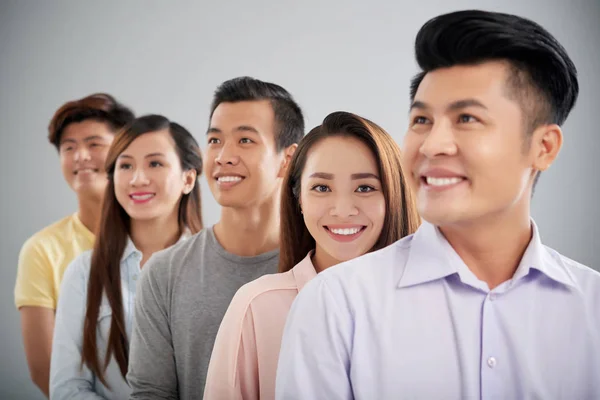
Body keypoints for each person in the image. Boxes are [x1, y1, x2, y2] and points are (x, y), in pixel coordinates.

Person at [275, 10, 600, 400]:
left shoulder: (592, 309)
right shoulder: (335, 304)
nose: (431, 145)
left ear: (542, 147)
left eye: (466, 118)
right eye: (421, 120)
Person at [204, 111, 421, 400]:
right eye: (322, 188)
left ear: (393, 196)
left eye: (365, 187)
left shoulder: (429, 305)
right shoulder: (257, 306)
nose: (342, 210)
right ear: (299, 199)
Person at [127, 76, 305, 399]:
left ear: (288, 159)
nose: (223, 156)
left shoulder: (320, 265)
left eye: (245, 141)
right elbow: (150, 393)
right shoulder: (163, 273)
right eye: (214, 141)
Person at [49, 114, 203, 399]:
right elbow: (67, 388)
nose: (137, 179)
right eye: (126, 165)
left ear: (188, 178)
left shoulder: (213, 268)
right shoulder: (84, 272)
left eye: (155, 163)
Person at [14, 93, 134, 397]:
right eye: (69, 147)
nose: (80, 156)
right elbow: (46, 371)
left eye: (94, 144)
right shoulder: (42, 250)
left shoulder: (157, 236)